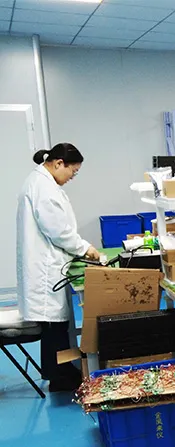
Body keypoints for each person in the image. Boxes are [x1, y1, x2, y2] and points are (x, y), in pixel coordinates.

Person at [17, 143, 100, 392]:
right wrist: (85, 248)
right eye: (72, 171)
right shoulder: (42, 187)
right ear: (58, 163)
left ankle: (59, 372)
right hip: (44, 267)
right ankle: (60, 377)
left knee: (54, 325)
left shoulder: (42, 182)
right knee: (53, 325)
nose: (72, 177)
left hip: (47, 263)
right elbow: (58, 231)